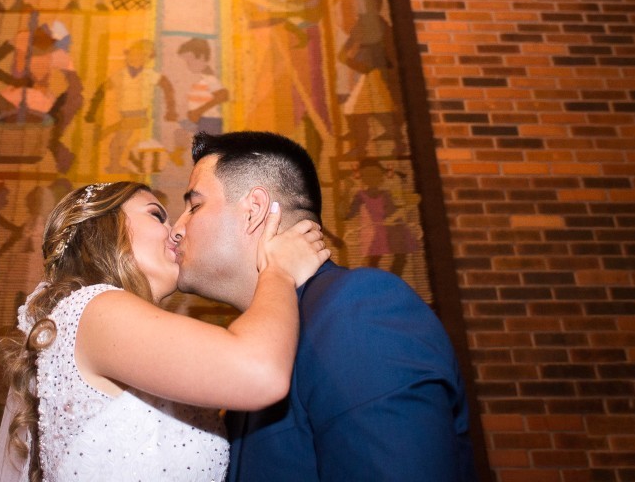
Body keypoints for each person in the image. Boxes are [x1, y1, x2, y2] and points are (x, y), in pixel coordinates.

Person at [170, 131, 477, 481]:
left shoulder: (357, 309)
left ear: (254, 210)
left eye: (194, 206)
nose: (177, 228)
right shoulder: (257, 348)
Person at [0, 180, 329, 481]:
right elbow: (259, 373)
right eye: (156, 215)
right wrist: (278, 271)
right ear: (105, 228)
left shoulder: (112, 330)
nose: (176, 230)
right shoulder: (94, 310)